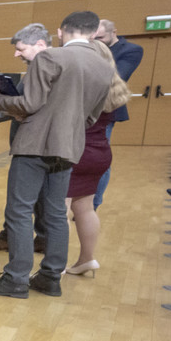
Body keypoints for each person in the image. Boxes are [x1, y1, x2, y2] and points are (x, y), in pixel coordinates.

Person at [0, 11, 116, 298]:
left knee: (19, 211)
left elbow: (29, 104)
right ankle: (50, 278)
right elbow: (91, 117)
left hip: (35, 145)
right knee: (56, 213)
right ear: (92, 32)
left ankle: (15, 279)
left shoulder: (50, 57)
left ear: (60, 32)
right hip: (69, 147)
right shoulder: (104, 66)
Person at [0, 24, 52, 254]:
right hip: (42, 144)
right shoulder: (43, 67)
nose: (16, 54)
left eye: (20, 49)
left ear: (40, 44)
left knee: (20, 203)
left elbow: (26, 106)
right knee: (41, 199)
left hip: (32, 145)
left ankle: (16, 254)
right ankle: (41, 240)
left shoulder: (43, 69)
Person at [64, 40, 131, 275]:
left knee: (59, 210)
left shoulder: (80, 87)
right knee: (85, 207)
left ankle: (54, 267)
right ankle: (87, 259)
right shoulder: (113, 87)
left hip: (74, 152)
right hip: (99, 151)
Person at [93, 18, 142, 207]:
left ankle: (94, 203)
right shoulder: (92, 47)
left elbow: (119, 75)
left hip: (106, 109)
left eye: (100, 37)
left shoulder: (131, 50)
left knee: (99, 159)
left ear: (114, 32)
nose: (97, 41)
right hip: (83, 108)